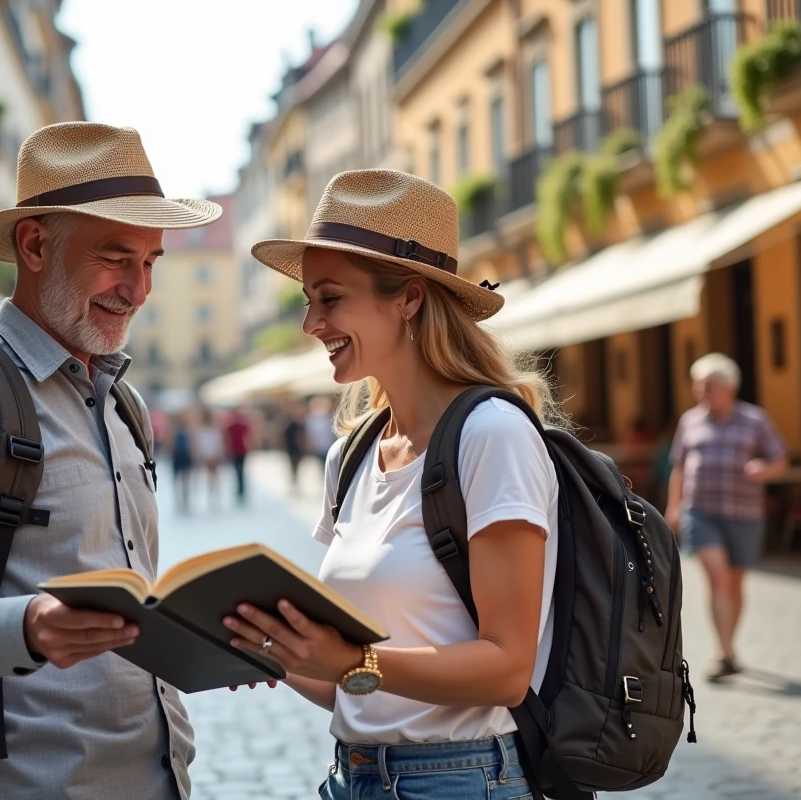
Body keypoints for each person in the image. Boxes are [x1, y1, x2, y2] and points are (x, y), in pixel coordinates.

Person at [0, 122, 222, 799]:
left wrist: (208, 646)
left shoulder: (124, 404)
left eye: (150, 263)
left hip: (159, 779)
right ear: (34, 245)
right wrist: (29, 626)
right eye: (117, 258)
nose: (139, 290)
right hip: (32, 781)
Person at [224, 170, 557, 799]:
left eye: (329, 299)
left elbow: (508, 670)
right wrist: (276, 652)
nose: (310, 324)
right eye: (307, 301)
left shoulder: (492, 434)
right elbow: (360, 694)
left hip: (462, 781)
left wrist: (353, 661)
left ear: (408, 298)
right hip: (353, 778)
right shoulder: (352, 454)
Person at [665, 353, 787, 683]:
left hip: (744, 514)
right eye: (698, 386)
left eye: (707, 386)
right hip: (701, 512)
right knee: (718, 577)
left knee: (734, 583)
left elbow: (780, 458)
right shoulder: (690, 421)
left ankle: (729, 644)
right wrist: (673, 508)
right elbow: (680, 466)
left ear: (728, 387)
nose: (699, 392)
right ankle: (724, 652)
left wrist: (765, 469)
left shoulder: (754, 420)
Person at [192, 408, 225, 508]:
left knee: (213, 477)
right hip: (209, 454)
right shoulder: (205, 429)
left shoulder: (210, 429)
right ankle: (213, 495)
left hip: (210, 454)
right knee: (211, 477)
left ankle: (214, 495)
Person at [223, 407, 252, 505]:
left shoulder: (239, 424)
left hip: (240, 450)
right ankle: (240, 490)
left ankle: (241, 491)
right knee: (238, 472)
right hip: (235, 450)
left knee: (240, 471)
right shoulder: (232, 424)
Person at [282, 402, 308, 492]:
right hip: (292, 448)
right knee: (293, 466)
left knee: (296, 466)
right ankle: (294, 482)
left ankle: (295, 482)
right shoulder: (292, 424)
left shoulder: (299, 424)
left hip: (295, 448)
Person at [171, 412, 195, 514]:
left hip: (184, 456)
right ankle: (180, 501)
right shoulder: (174, 431)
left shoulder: (187, 431)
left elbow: (191, 444)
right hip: (178, 456)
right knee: (178, 480)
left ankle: (185, 500)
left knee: (185, 479)